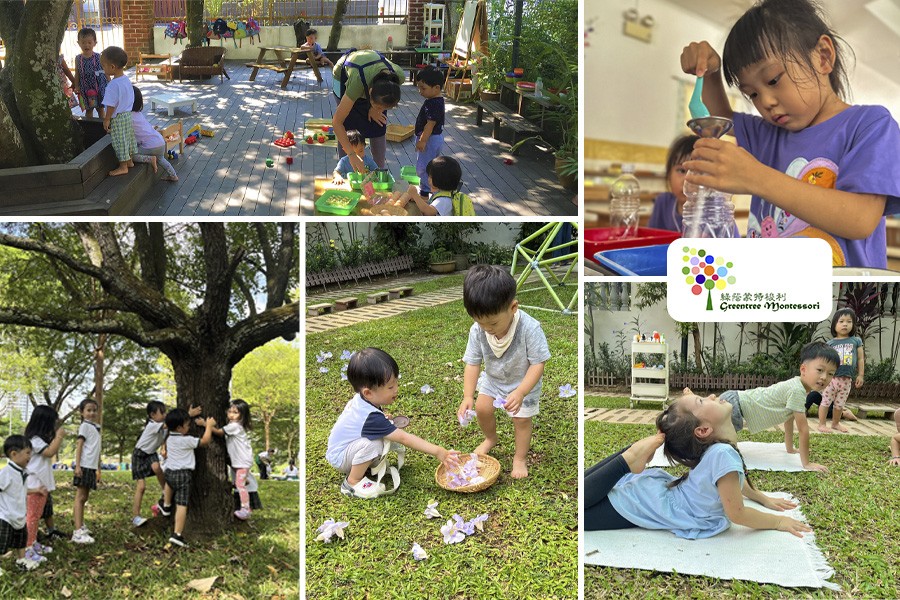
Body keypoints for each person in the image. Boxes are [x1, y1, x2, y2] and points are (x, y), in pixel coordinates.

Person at [679, 0, 900, 268]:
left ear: (823, 56)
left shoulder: (869, 125)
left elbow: (861, 219)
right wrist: (710, 73)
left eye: (773, 80)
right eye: (752, 94)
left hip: (841, 304)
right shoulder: (771, 133)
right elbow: (720, 120)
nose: (766, 102)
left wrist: (754, 176)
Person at [584, 400, 811, 539]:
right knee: (580, 508)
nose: (712, 396)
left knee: (582, 500)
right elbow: (738, 514)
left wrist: (761, 497)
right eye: (702, 400)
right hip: (653, 503)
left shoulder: (715, 450)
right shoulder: (721, 453)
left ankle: (630, 455)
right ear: (703, 430)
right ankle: (630, 457)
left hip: (654, 498)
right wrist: (778, 522)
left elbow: (733, 485)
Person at [456, 266, 551, 479]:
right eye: (480, 322)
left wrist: (521, 392)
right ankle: (490, 438)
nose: (487, 328)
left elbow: (538, 364)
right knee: (482, 408)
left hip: (523, 383)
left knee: (521, 420)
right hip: (493, 379)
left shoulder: (530, 328)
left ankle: (519, 458)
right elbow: (472, 363)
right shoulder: (478, 330)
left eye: (493, 323)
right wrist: (467, 396)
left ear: (513, 307)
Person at [326, 348, 460, 499]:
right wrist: (438, 451)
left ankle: (360, 466)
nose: (396, 389)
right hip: (340, 457)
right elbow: (404, 438)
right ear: (368, 393)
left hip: (342, 450)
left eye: (396, 383)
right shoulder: (371, 417)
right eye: (390, 387)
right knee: (373, 444)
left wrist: (382, 417)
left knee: (376, 440)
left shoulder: (362, 400)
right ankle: (352, 482)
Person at [718, 341, 838, 472]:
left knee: (718, 442)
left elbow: (789, 420)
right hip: (734, 405)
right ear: (803, 369)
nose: (824, 377)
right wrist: (807, 464)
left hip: (734, 401)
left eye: (831, 373)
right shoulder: (797, 390)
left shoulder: (798, 386)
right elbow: (803, 430)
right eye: (820, 370)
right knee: (720, 448)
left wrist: (790, 448)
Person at [332, 49, 405, 171]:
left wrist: (375, 109)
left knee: (378, 123)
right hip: (343, 77)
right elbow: (337, 122)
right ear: (370, 93)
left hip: (372, 79)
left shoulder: (397, 78)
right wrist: (351, 155)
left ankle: (379, 169)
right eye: (378, 107)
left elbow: (381, 104)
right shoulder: (357, 82)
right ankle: (345, 169)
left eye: (385, 108)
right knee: (348, 126)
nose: (381, 110)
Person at [131, 401, 199, 527]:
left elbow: (167, 434)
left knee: (157, 468)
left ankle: (165, 491)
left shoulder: (161, 426)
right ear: (152, 415)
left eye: (165, 412)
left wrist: (164, 447)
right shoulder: (152, 425)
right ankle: (135, 516)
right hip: (139, 455)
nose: (165, 414)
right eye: (162, 412)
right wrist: (188, 415)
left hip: (151, 454)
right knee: (141, 487)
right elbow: (170, 424)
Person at [157, 408, 216, 547]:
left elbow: (169, 423)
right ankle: (177, 534)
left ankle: (166, 505)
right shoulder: (187, 440)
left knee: (169, 485)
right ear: (179, 427)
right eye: (187, 425)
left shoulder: (169, 438)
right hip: (183, 475)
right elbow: (205, 441)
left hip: (170, 473)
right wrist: (208, 426)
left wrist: (188, 414)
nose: (189, 427)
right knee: (182, 505)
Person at [23, 406, 65, 562]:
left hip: (40, 485)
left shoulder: (37, 439)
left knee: (37, 515)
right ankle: (27, 549)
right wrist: (59, 436)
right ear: (44, 423)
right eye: (52, 423)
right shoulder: (35, 440)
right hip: (34, 485)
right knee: (32, 517)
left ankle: (33, 543)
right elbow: (50, 452)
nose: (54, 426)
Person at [818, 308, 864, 433]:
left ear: (853, 324)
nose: (845, 324)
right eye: (841, 321)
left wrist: (860, 375)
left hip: (846, 379)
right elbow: (825, 362)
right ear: (834, 325)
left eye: (849, 321)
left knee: (839, 404)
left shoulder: (856, 341)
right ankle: (821, 424)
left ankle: (835, 424)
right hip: (832, 379)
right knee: (826, 402)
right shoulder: (830, 343)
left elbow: (860, 359)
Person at [0, 436, 40, 571]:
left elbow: (21, 490)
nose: (30, 456)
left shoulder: (23, 472)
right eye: (28, 452)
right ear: (14, 454)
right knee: (1, 541)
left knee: (21, 539)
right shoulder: (6, 473)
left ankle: (21, 560)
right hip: (5, 515)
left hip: (19, 513)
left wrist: (36, 490)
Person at [210, 399, 255, 520]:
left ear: (242, 415)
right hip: (238, 460)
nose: (231, 414)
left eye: (235, 412)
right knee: (239, 481)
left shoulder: (235, 426)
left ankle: (246, 509)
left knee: (240, 485)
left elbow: (218, 432)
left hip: (242, 461)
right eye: (230, 411)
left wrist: (207, 425)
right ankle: (245, 480)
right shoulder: (233, 425)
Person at [394, 156, 476, 216]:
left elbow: (428, 211)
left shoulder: (444, 200)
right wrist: (417, 199)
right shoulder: (447, 193)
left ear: (440, 180)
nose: (428, 179)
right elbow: (432, 205)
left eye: (430, 176)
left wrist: (415, 195)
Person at [99, 46, 136, 177]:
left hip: (118, 118)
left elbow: (110, 105)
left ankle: (123, 166)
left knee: (119, 141)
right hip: (127, 115)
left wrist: (107, 119)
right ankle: (129, 160)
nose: (102, 68)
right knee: (128, 138)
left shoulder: (113, 85)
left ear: (113, 67)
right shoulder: (126, 80)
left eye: (104, 66)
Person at [130, 87, 179, 182]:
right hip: (160, 142)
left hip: (150, 146)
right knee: (161, 159)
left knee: (132, 156)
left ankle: (150, 159)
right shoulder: (139, 114)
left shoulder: (128, 117)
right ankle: (173, 175)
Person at [414, 66, 446, 198]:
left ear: (436, 88)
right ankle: (429, 188)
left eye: (423, 88)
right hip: (434, 139)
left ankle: (425, 192)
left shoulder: (432, 104)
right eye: (419, 87)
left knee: (424, 166)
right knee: (430, 164)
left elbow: (430, 124)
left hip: (430, 139)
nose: (420, 91)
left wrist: (422, 141)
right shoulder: (436, 101)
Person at [72, 398, 101, 544]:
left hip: (91, 466)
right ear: (82, 412)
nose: (92, 413)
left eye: (94, 410)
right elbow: (79, 445)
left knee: (85, 497)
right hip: (84, 465)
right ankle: (77, 532)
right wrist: (77, 466)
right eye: (88, 410)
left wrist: (98, 468)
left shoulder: (95, 427)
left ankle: (81, 526)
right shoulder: (84, 426)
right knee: (80, 497)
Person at [73, 28, 107, 118]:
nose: (86, 45)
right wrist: (76, 86)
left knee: (100, 108)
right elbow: (77, 73)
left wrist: (110, 82)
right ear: (78, 43)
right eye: (83, 42)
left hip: (98, 87)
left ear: (95, 43)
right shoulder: (78, 59)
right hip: (85, 88)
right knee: (89, 109)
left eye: (89, 42)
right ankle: (90, 126)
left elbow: (104, 70)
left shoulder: (98, 57)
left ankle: (103, 126)